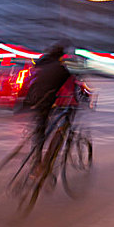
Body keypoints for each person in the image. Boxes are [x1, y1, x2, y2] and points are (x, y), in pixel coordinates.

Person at [30, 39, 72, 167]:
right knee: (45, 129)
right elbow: (71, 86)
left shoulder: (42, 62)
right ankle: (38, 163)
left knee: (40, 128)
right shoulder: (62, 69)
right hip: (45, 100)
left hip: (33, 97)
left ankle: (36, 158)